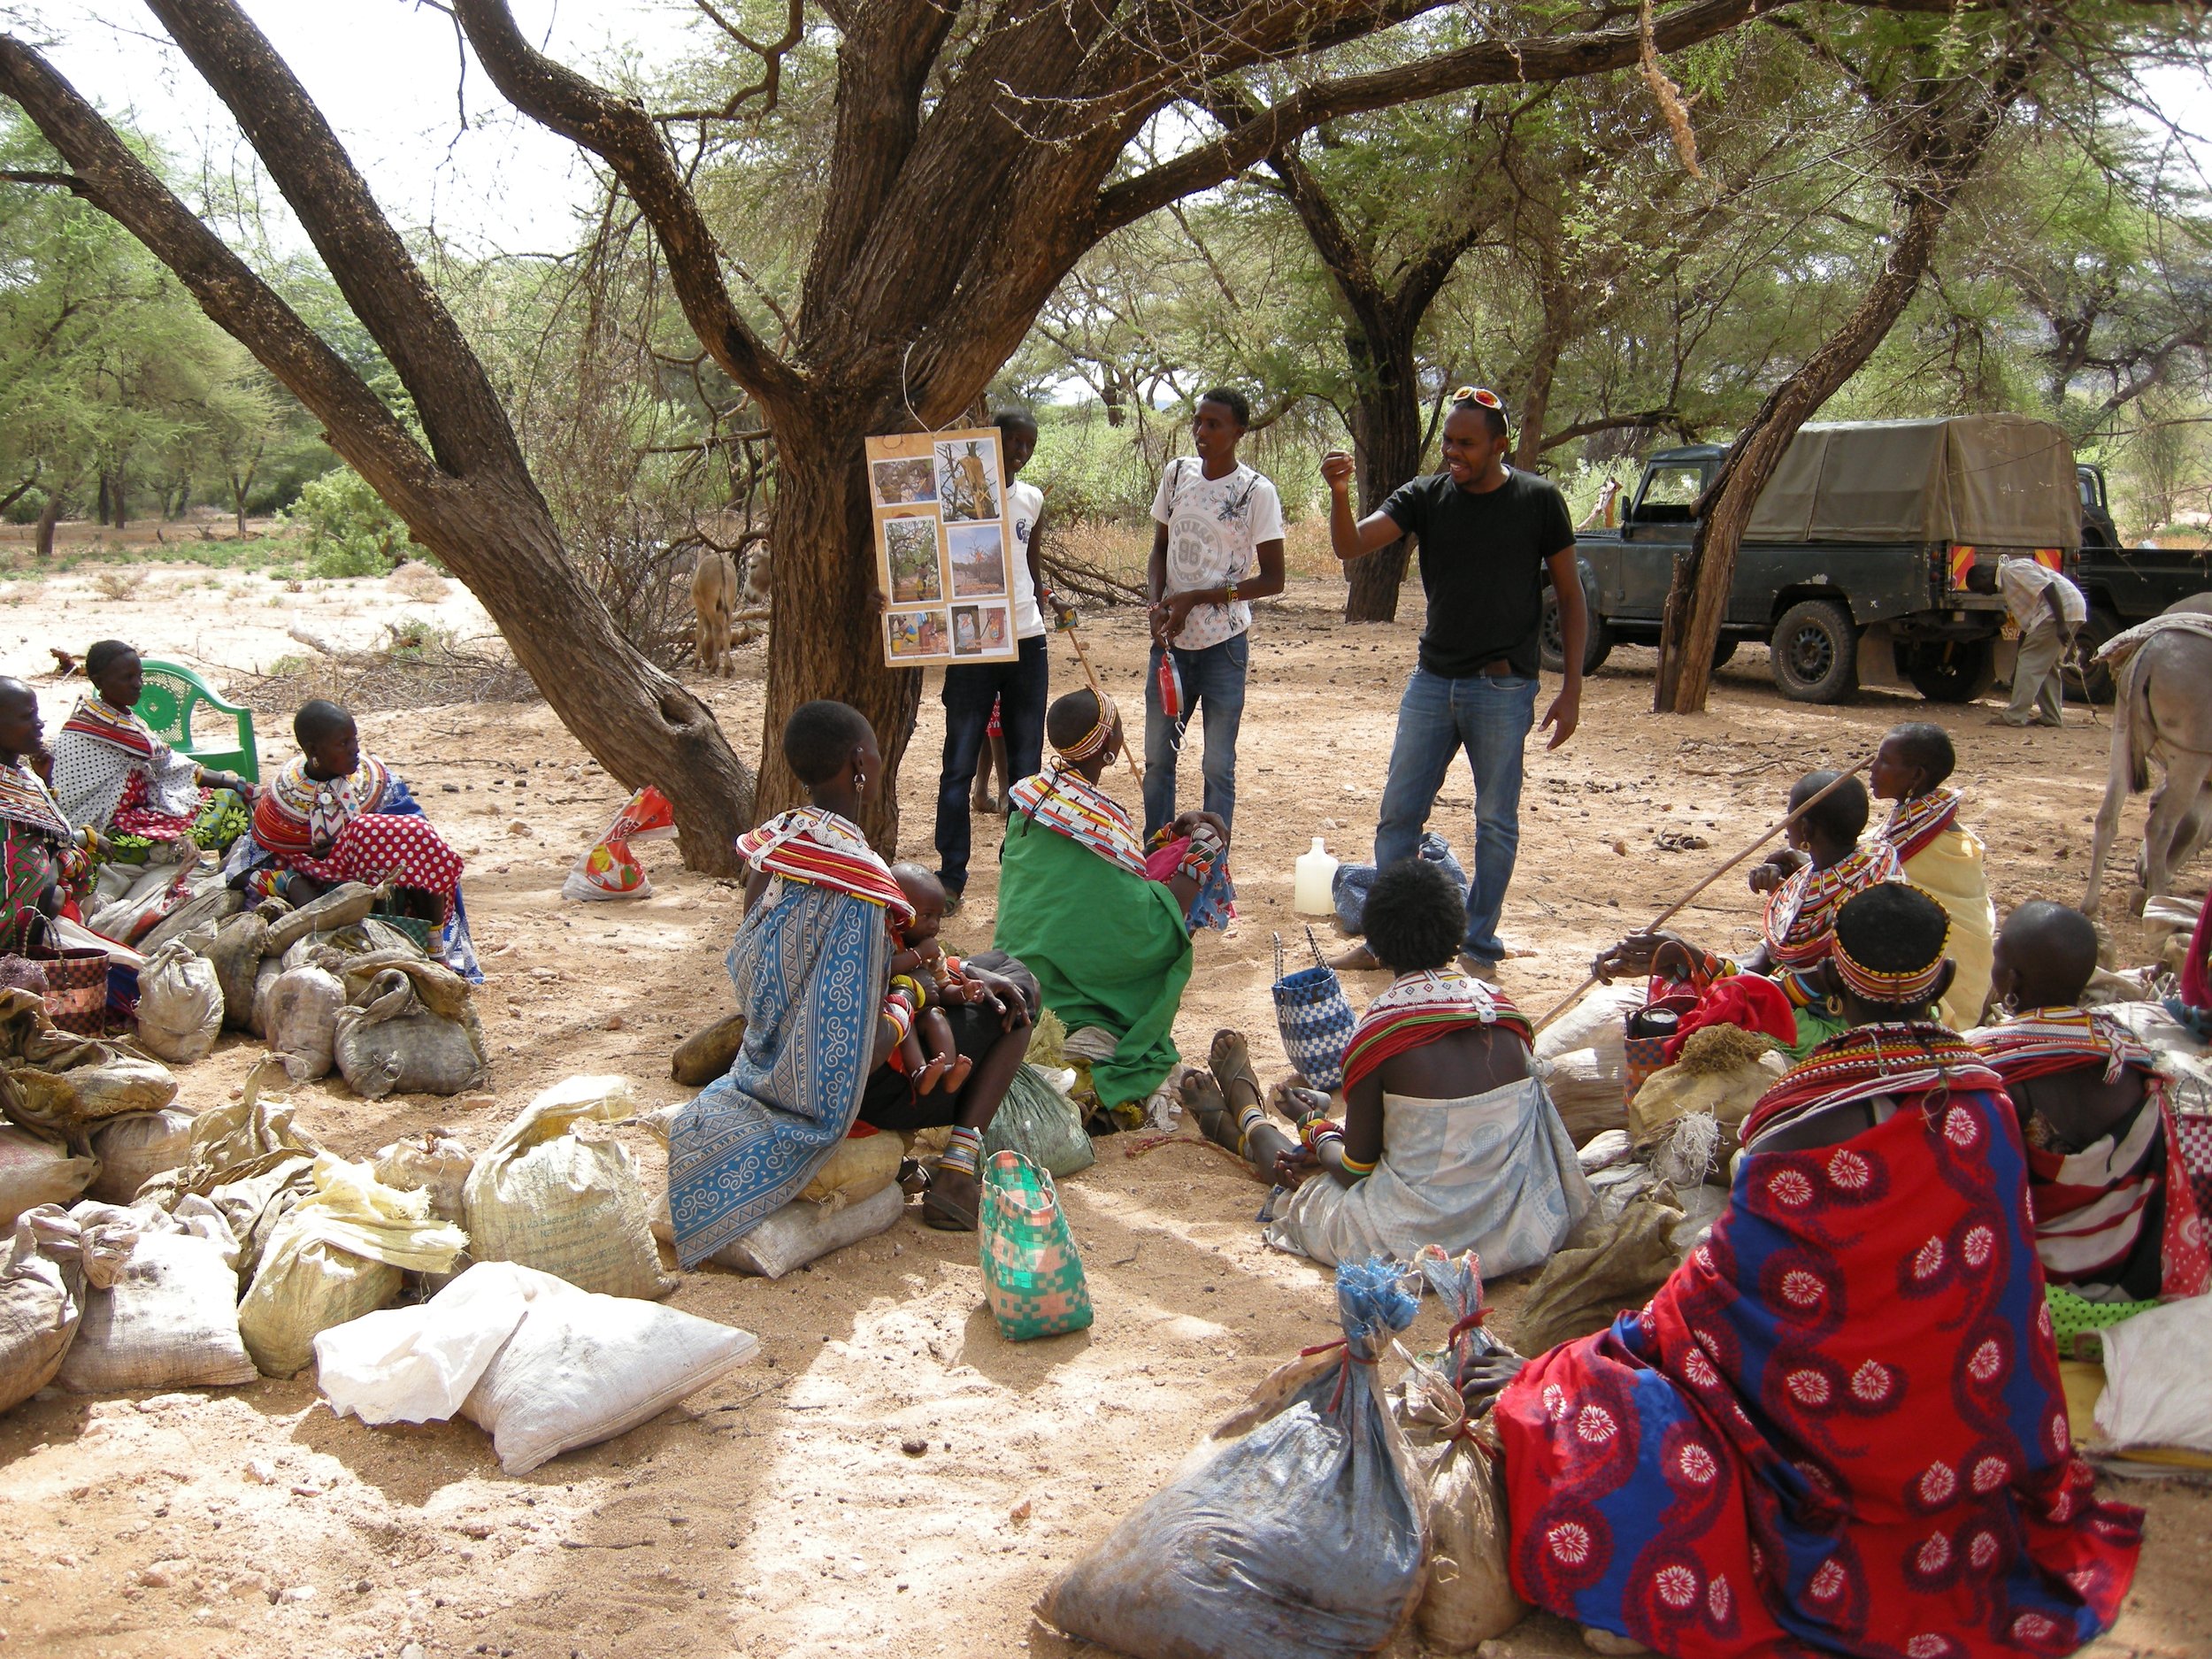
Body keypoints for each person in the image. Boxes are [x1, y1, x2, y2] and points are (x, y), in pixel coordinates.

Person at [1484, 882, 2143, 1657]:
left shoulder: (1795, 1119)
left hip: (1821, 1438)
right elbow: (2002, 1297)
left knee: (1587, 1401)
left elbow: (1714, 1305)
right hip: (1956, 1446)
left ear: (1830, 975)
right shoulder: (1990, 1103)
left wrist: (1601, 1353)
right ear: (1939, 983)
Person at [669, 702, 1036, 1248]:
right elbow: (858, 1043)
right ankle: (959, 1170)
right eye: (879, 754)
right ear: (860, 760)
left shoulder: (777, 849)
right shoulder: (860, 883)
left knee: (997, 966)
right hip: (845, 1090)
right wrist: (916, 993)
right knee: (1023, 997)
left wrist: (946, 974)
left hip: (765, 1055)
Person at [1187, 858, 1590, 1272]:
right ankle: (1242, 1119)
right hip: (1518, 1226)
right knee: (1324, 1153)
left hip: (1415, 1239)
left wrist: (1312, 1123)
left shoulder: (1380, 1035)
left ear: (1376, 945)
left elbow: (1353, 1171)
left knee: (1302, 1179)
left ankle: (1249, 1119)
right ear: (1456, 930)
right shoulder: (1502, 1013)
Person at [1323, 388, 1583, 979]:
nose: (1453, 454)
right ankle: (1389, 940)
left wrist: (1572, 688)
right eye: (1448, 442)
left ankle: (1481, 945)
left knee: (1495, 821)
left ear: (1499, 445)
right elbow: (1351, 544)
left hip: (1503, 687)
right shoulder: (1426, 496)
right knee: (1398, 817)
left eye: (1466, 443)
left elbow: (1569, 593)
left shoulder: (1539, 500)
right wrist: (1340, 494)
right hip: (1433, 681)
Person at [1972, 901, 2208, 1349]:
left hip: (2040, 1294)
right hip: (2131, 1287)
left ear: (2012, 981)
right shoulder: (2129, 1055)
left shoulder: (1995, 1070)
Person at [994, 687, 1233, 1118]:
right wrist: (1202, 854)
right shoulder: (1099, 818)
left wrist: (1164, 841)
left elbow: (1095, 888)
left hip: (1015, 974)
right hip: (1064, 997)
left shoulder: (1032, 804)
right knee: (1176, 911)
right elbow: (1148, 925)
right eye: (1119, 728)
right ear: (1109, 748)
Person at [1596, 771, 1901, 1057]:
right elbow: (1760, 962)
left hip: (1830, 1028)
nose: (1786, 825)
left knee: (1718, 1016)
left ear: (1806, 829)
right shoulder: (1854, 868)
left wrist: (1693, 958)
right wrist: (1671, 958)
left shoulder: (1863, 906)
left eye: (1790, 817)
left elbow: (1781, 994)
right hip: (1790, 1002)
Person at [223, 699, 480, 980]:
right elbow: (238, 871)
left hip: (383, 883)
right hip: (321, 884)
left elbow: (420, 837)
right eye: (343, 743)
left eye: (355, 739)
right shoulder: (283, 803)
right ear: (313, 750)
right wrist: (286, 881)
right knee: (367, 833)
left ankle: (434, 948)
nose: (355, 749)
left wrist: (358, 840)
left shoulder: (378, 783)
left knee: (414, 841)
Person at [1142, 387, 1286, 841]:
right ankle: (1159, 861)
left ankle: (1210, 870)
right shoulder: (1178, 473)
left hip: (1223, 647)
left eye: (1214, 424)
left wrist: (1196, 598)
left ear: (1238, 432)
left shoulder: (1255, 492)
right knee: (1157, 759)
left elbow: (1273, 580)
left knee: (1217, 765)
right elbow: (1160, 548)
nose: (1202, 431)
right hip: (1170, 644)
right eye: (1198, 421)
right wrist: (1157, 603)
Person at [934, 410, 1054, 910]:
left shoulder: (1031, 498)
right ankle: (951, 874)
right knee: (959, 762)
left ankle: (1020, 871)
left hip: (1027, 639)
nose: (1020, 453)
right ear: (989, 441)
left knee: (1027, 767)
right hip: (973, 643)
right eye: (1012, 442)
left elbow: (1031, 558)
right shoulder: (955, 494)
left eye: (1029, 445)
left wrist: (1046, 598)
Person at [50, 640, 254, 854]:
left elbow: (172, 765)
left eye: (139, 676)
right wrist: (241, 787)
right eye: (127, 678)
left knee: (220, 797)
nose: (138, 684)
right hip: (110, 834)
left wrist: (234, 783)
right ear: (98, 681)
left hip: (117, 821)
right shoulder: (109, 729)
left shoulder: (96, 716)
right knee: (231, 805)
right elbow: (172, 765)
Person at [1870, 721, 1995, 1027]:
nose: (1872, 768)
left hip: (1951, 998)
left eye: (1884, 761)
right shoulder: (1914, 825)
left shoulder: (1933, 845)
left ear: (1917, 776)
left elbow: (1863, 875)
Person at [0, 679, 95, 953]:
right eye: (28, 716)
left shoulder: (22, 776)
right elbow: (20, 857)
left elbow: (51, 835)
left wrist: (45, 779)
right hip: (17, 933)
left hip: (39, 918)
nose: (40, 723)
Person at [886, 863, 974, 1093]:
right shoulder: (887, 941)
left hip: (923, 1011)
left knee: (935, 1017)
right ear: (899, 911)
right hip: (892, 1012)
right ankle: (919, 1074)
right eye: (926, 916)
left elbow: (942, 989)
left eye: (939, 917)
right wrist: (918, 955)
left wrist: (963, 992)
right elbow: (884, 970)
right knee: (903, 1022)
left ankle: (947, 1069)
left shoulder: (932, 953)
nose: (934, 925)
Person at [1970, 556, 2085, 728]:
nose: (1984, 593)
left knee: (2030, 662)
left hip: (2058, 612)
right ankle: (2051, 716)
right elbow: (2028, 625)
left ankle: (2014, 716)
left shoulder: (2012, 570)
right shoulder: (2010, 581)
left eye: (1980, 589)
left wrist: (2060, 624)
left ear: (1985, 576)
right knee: (2046, 664)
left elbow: (2049, 587)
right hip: (2069, 609)